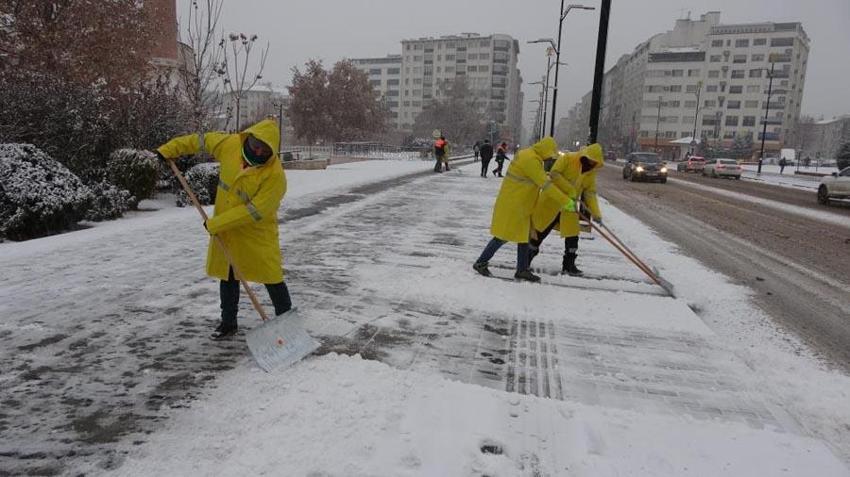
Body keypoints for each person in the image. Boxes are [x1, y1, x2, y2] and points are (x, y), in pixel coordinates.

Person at [155, 119, 291, 340]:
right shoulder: (230, 145)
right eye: (255, 145)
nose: (257, 151)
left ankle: (288, 327)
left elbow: (254, 212)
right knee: (228, 275)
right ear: (248, 138)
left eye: (264, 150)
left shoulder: (275, 176)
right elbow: (200, 141)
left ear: (272, 152)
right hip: (228, 232)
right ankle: (228, 323)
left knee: (272, 277)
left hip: (257, 234)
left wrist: (217, 223)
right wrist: (169, 149)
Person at [472, 137, 576, 282]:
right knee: (503, 236)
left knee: (524, 236)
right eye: (549, 154)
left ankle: (522, 269)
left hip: (520, 204)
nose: (549, 158)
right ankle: (481, 262)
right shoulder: (531, 159)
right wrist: (565, 201)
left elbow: (533, 176)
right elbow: (544, 184)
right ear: (545, 150)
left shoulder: (529, 155)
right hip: (514, 204)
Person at [529, 143, 605, 276]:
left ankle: (569, 266)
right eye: (591, 160)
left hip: (569, 207)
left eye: (595, 162)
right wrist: (570, 190)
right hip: (552, 202)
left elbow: (590, 193)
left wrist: (596, 213)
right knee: (539, 233)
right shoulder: (568, 158)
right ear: (585, 156)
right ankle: (525, 261)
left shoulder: (590, 172)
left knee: (572, 237)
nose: (592, 163)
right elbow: (554, 174)